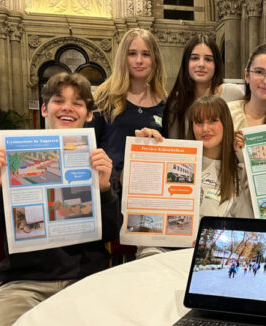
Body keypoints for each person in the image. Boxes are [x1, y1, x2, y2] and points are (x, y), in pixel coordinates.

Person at [0, 72, 121, 326]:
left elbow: (112, 232)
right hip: (24, 282)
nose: (67, 108)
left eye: (77, 103)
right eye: (58, 101)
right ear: (44, 109)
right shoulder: (12, 158)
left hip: (85, 281)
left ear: (88, 114)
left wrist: (105, 188)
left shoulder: (97, 160)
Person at [135, 95, 254, 258]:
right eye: (199, 122)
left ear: (226, 124)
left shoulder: (237, 173)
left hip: (202, 257)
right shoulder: (172, 158)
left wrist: (243, 158)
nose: (205, 128)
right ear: (192, 126)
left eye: (213, 120)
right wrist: (144, 151)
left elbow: (245, 226)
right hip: (160, 252)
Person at [88, 28, 167, 174]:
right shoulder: (104, 97)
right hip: (108, 190)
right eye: (132, 54)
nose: (139, 60)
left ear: (155, 58)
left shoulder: (164, 103)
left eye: (146, 54)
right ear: (123, 57)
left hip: (146, 187)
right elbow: (88, 146)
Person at [162, 34, 244, 140]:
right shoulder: (176, 103)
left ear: (216, 64)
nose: (201, 64)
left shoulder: (234, 94)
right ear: (186, 63)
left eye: (208, 59)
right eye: (195, 58)